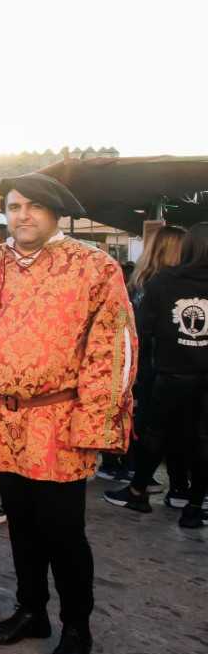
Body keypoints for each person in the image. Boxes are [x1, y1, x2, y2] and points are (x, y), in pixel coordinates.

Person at [0, 172, 135, 654]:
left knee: (64, 531)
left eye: (32, 206)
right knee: (20, 523)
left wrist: (94, 423)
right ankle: (32, 611)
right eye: (14, 205)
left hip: (58, 420)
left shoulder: (94, 267)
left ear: (54, 212)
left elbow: (111, 348)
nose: (21, 215)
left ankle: (77, 628)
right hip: (0, 417)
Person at [103, 222, 207, 528]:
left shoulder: (163, 282)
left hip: (168, 374)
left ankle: (138, 491)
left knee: (154, 433)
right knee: (202, 440)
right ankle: (194, 505)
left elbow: (141, 332)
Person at [98, 225, 188, 492]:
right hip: (152, 367)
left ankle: (136, 473)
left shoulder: (140, 283)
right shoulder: (158, 286)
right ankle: (138, 475)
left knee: (155, 423)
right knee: (156, 424)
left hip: (147, 366)